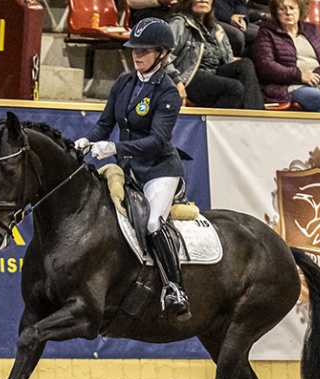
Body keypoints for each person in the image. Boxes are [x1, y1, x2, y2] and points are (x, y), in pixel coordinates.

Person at [74, 18, 191, 321]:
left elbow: (158, 140)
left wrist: (115, 148)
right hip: (128, 168)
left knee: (153, 223)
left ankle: (175, 288)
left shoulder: (167, 92)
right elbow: (105, 123)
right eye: (134, 49)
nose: (137, 55)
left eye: (145, 50)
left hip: (158, 169)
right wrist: (89, 139)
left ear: (163, 53)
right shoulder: (124, 82)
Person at [253, 0, 320, 113]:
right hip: (290, 85)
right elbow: (266, 65)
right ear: (276, 12)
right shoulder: (267, 33)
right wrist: (299, 75)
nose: (288, 13)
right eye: (282, 9)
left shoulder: (312, 30)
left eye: (292, 8)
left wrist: (319, 74)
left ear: (299, 10)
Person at [164, 0, 265, 109]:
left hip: (213, 75)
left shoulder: (216, 29)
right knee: (234, 88)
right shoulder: (179, 23)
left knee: (245, 64)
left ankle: (256, 118)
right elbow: (162, 57)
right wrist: (176, 82)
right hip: (190, 77)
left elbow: (229, 60)